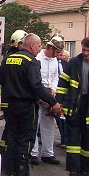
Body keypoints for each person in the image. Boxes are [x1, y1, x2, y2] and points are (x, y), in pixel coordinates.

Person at [0, 33, 61, 176]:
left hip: (10, 105)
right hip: (26, 106)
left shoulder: (9, 59)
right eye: (38, 46)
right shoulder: (31, 62)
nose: (39, 49)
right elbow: (36, 86)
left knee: (12, 138)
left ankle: (11, 172)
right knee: (26, 140)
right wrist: (53, 102)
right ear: (32, 45)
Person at [56, 36, 89, 176]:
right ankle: (73, 171)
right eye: (84, 49)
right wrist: (59, 102)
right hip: (74, 105)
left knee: (87, 142)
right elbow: (62, 84)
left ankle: (85, 170)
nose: (86, 53)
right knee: (72, 142)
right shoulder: (73, 63)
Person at [30, 35, 64, 165]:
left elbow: (55, 76)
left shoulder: (55, 61)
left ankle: (48, 153)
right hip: (38, 95)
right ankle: (33, 153)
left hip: (50, 95)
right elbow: (36, 79)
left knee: (49, 126)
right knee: (35, 124)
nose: (58, 54)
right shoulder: (38, 58)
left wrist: (54, 89)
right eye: (57, 51)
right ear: (51, 48)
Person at [0, 29, 28, 173]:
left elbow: (0, 78)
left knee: (9, 132)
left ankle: (4, 160)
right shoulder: (17, 58)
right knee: (12, 133)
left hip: (7, 100)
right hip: (13, 101)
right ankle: (9, 164)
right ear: (19, 43)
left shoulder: (7, 57)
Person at [55, 49, 70, 148]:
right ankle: (63, 138)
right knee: (58, 118)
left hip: (64, 94)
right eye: (59, 55)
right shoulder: (51, 63)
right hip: (54, 92)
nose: (60, 57)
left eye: (62, 55)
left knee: (63, 118)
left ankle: (65, 139)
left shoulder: (66, 65)